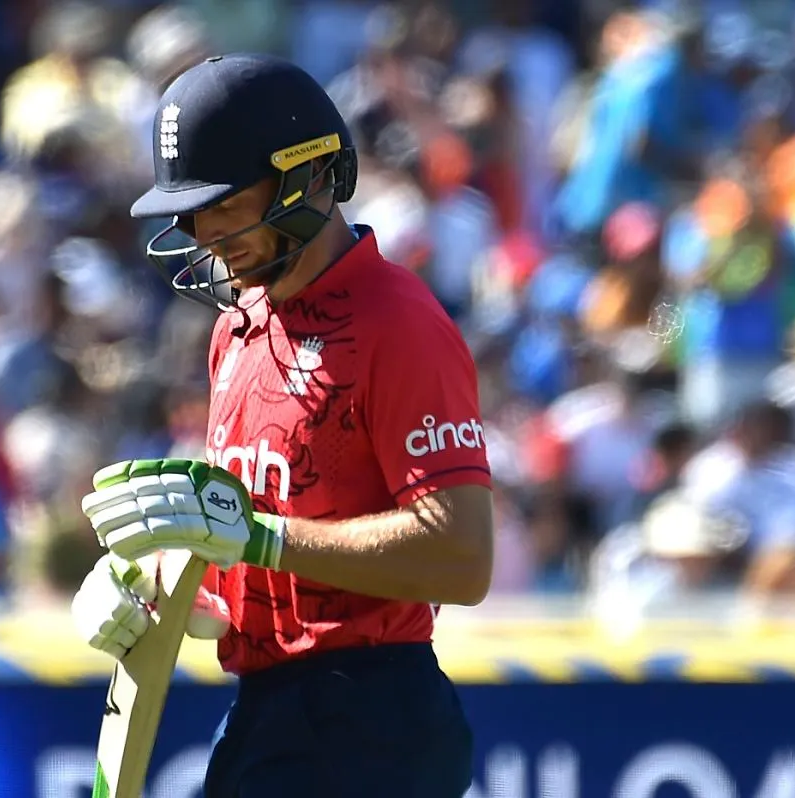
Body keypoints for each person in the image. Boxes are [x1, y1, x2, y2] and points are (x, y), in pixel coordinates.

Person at [69, 53, 493, 797]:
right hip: (268, 712)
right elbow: (240, 550)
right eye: (194, 212)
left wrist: (258, 536)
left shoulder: (399, 324)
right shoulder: (237, 328)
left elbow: (461, 556)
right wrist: (150, 588)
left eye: (226, 203)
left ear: (310, 176)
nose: (205, 232)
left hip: (373, 720)